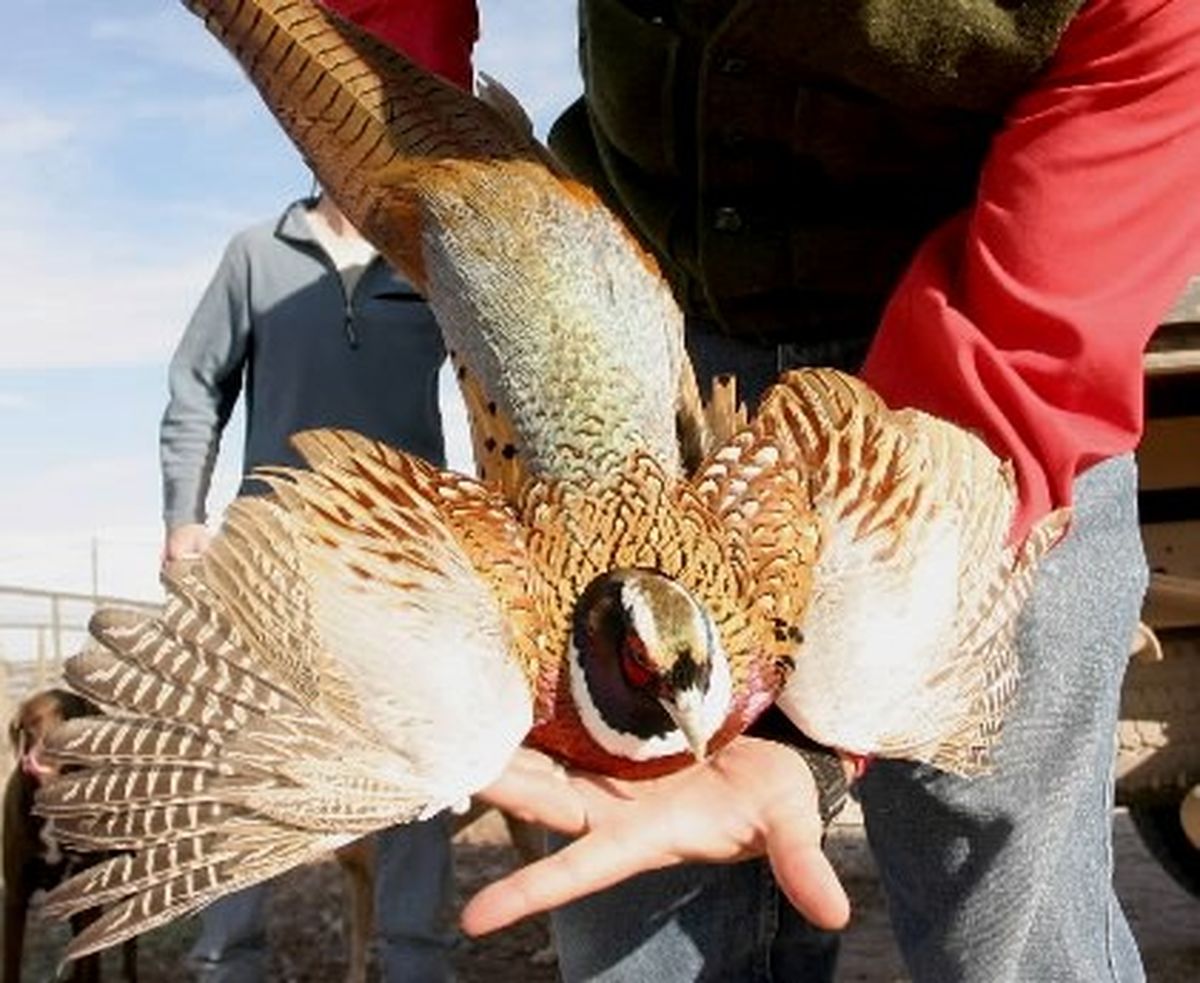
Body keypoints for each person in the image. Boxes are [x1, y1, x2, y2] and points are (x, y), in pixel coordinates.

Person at [323, 1, 1200, 981]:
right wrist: (438, 199)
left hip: (974, 382)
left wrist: (814, 736)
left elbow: (1028, 343)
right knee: (637, 942)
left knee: (1015, 930)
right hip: (648, 367)